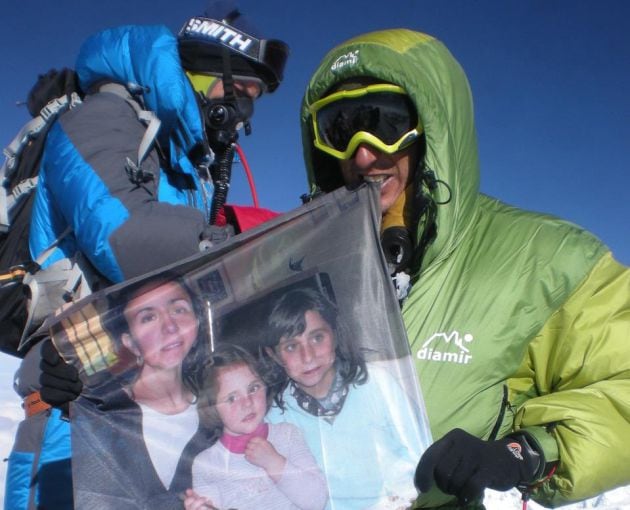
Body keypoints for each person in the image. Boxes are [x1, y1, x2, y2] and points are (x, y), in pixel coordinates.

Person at [298, 29, 630, 509]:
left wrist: (527, 452)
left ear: (434, 126)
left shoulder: (545, 259)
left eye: (385, 121)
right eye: (338, 128)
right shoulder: (305, 265)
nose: (363, 153)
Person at [6, 2, 289, 509]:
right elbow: (124, 238)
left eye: (254, 102)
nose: (245, 115)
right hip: (70, 415)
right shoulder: (102, 118)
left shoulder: (185, 163)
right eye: (241, 93)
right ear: (204, 75)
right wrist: (245, 251)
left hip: (144, 413)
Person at [264, 286, 431, 510]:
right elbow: (284, 493)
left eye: (317, 338)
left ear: (335, 334)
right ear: (273, 355)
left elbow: (420, 452)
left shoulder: (377, 382)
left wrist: (400, 499)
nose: (308, 356)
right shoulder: (275, 418)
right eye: (292, 346)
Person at [72, 275, 211, 508]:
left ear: (196, 322)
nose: (170, 327)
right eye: (148, 317)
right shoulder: (102, 414)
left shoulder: (220, 409)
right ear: (130, 342)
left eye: (178, 309)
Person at [184, 343, 328, 510]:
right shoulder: (206, 464)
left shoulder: (287, 436)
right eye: (231, 398)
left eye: (253, 388)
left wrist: (274, 463)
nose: (247, 403)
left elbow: (317, 501)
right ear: (212, 406)